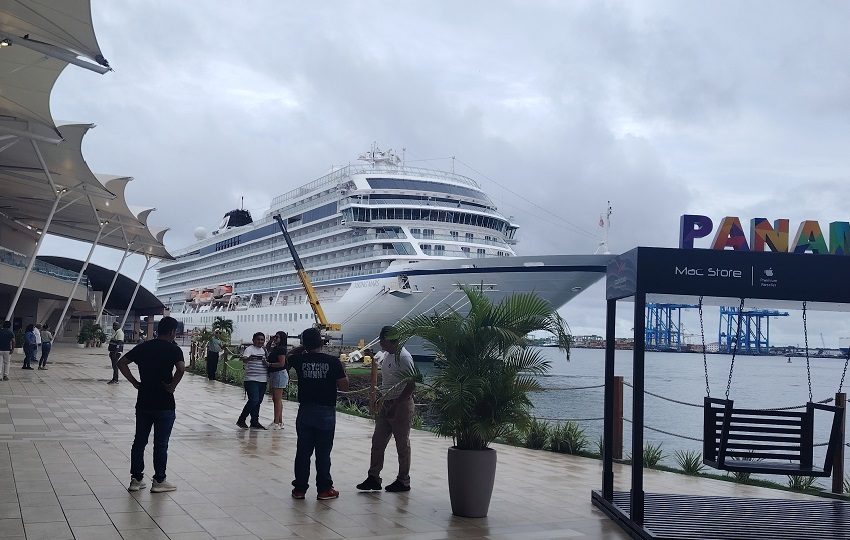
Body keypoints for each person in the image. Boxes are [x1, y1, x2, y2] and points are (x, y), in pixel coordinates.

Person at [117, 316, 185, 493]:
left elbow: (121, 363)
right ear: (172, 332)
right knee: (161, 443)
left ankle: (136, 479)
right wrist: (172, 386)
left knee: (139, 441)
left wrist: (134, 382)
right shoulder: (174, 349)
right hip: (165, 403)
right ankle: (159, 480)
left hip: (144, 401)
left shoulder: (143, 347)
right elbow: (181, 368)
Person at [288, 327, 348, 500]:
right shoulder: (333, 362)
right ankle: (324, 489)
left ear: (304, 343)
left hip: (305, 410)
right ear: (322, 342)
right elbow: (344, 387)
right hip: (325, 412)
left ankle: (299, 489)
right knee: (323, 453)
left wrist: (301, 348)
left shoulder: (298, 359)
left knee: (303, 452)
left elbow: (286, 361)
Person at [357, 326, 416, 493]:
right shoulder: (388, 354)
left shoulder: (404, 357)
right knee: (378, 442)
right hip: (387, 403)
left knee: (402, 444)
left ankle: (403, 480)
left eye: (382, 340)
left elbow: (412, 383)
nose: (380, 344)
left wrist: (398, 403)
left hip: (401, 405)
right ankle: (373, 477)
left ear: (389, 340)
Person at [237, 332, 268, 429]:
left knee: (258, 401)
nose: (260, 341)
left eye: (262, 340)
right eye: (258, 339)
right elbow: (244, 359)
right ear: (253, 340)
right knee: (253, 400)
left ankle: (254, 421)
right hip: (251, 379)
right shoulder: (249, 349)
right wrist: (249, 358)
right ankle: (241, 419)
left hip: (263, 379)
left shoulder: (264, 350)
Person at [268, 331, 289, 430]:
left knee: (277, 399)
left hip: (279, 374)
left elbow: (281, 363)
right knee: (275, 399)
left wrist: (269, 365)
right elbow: (266, 349)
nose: (275, 338)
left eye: (277, 337)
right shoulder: (276, 348)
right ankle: (279, 421)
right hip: (274, 374)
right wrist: (270, 340)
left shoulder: (281, 349)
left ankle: (276, 422)